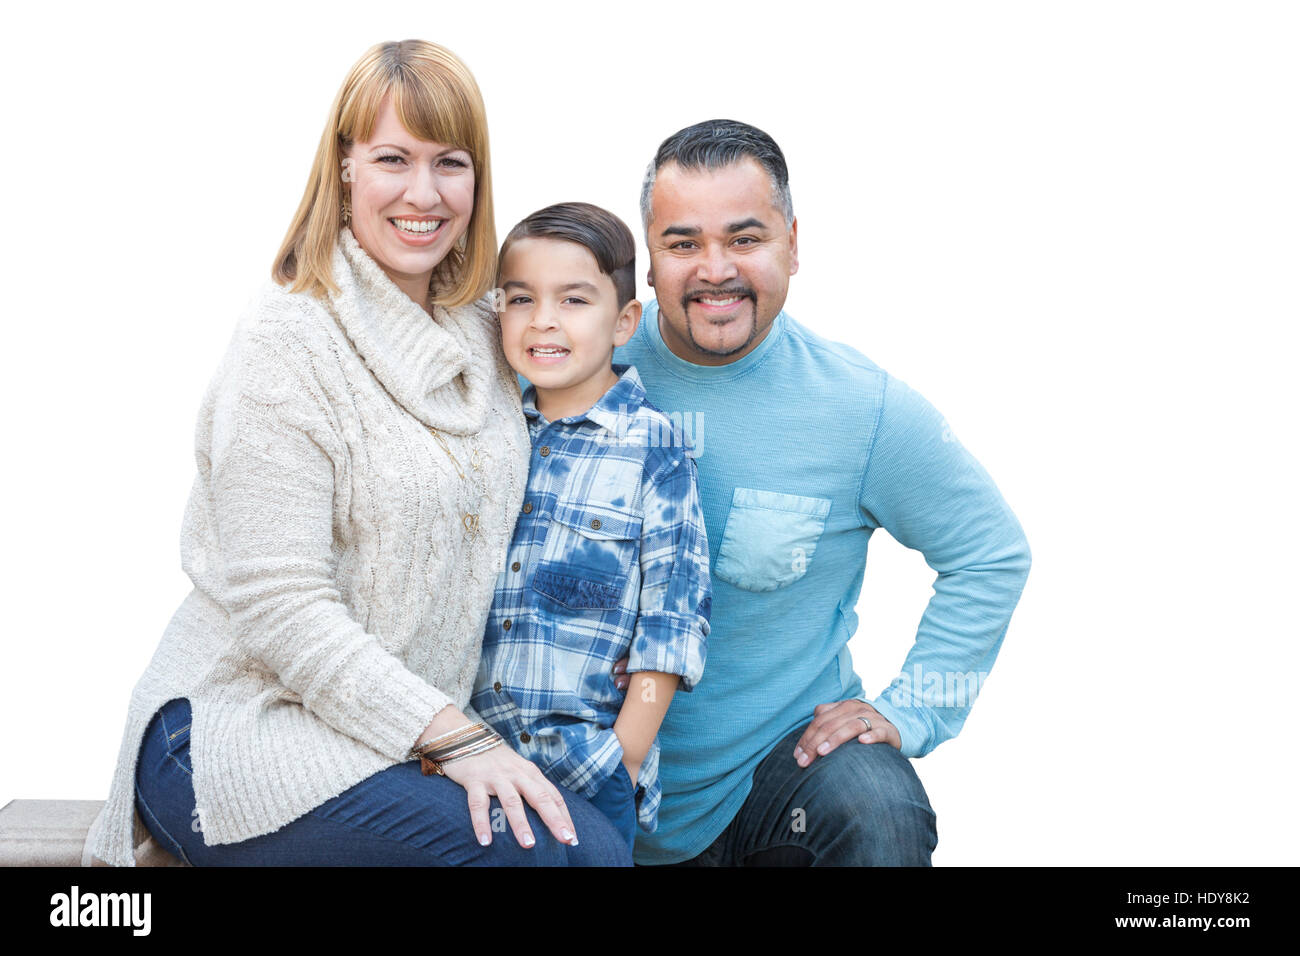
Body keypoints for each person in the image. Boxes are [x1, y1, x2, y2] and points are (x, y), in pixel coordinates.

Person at [85, 40, 629, 867]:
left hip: (387, 732)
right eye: (391, 159)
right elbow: (283, 609)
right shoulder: (287, 344)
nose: (423, 193)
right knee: (534, 856)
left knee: (593, 845)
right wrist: (459, 739)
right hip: (236, 731)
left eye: (450, 162)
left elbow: (606, 324)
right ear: (343, 168)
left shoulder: (488, 327)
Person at [614, 119, 1033, 866]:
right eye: (683, 244)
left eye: (745, 239)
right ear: (649, 259)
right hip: (585, 776)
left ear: (793, 244)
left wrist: (915, 710)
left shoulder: (859, 409)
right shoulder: (574, 368)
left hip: (772, 782)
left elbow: (989, 553)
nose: (715, 269)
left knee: (877, 808)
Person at [476, 202, 711, 851]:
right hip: (468, 758)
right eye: (521, 299)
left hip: (583, 769)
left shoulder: (654, 449)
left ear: (624, 321)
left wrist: (622, 760)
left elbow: (673, 624)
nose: (543, 320)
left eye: (574, 300)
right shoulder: (487, 432)